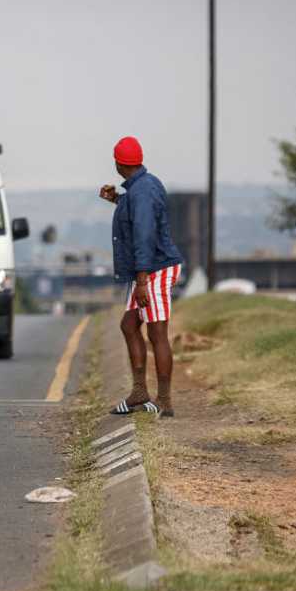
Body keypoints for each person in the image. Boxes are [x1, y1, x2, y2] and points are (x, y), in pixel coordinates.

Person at [100, 136, 184, 417]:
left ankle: (165, 400)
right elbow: (139, 214)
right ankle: (139, 392)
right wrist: (117, 200)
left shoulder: (143, 190)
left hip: (154, 269)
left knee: (157, 332)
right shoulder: (141, 187)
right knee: (129, 325)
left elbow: (144, 234)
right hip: (149, 268)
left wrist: (142, 280)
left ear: (118, 163)